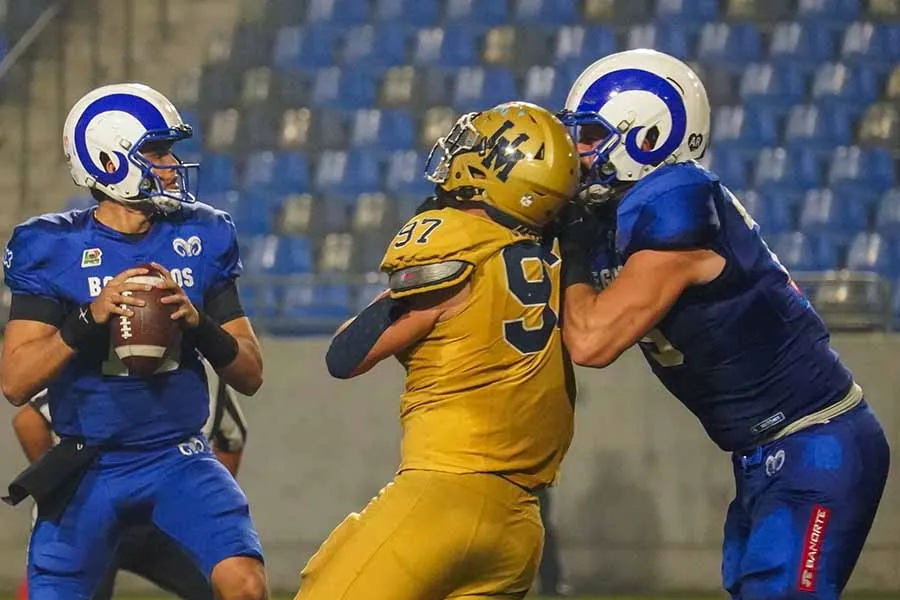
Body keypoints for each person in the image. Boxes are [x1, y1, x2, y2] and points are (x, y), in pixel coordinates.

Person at [555, 49, 890, 600]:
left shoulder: (676, 200)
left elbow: (591, 340)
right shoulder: (621, 211)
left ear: (648, 136)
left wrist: (570, 246)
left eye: (591, 134)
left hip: (815, 442)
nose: (579, 150)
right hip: (764, 454)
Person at [296, 102, 580, 600]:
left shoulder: (454, 242)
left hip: (446, 494)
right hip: (520, 529)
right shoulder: (558, 262)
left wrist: (398, 294)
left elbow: (345, 357)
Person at [1, 83, 267, 600]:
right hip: (89, 462)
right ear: (106, 161)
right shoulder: (51, 245)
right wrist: (89, 317)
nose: (171, 164)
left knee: (246, 585)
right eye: (155, 151)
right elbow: (15, 383)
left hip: (178, 457)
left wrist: (197, 322)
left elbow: (251, 374)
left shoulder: (203, 233)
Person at [12, 360, 248, 600]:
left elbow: (232, 439)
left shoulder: (207, 371)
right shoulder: (97, 355)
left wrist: (207, 503)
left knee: (230, 583)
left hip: (161, 520)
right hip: (93, 512)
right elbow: (28, 422)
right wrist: (64, 487)